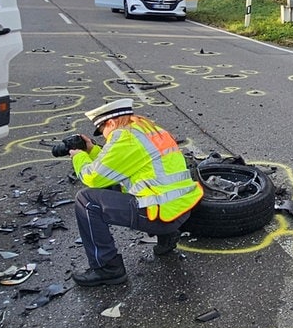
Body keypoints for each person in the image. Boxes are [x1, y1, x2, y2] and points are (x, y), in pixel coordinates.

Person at [66, 98, 204, 287]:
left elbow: (93, 178)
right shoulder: (150, 130)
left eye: (102, 131)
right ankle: (168, 237)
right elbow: (117, 166)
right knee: (121, 185)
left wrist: (79, 156)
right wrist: (92, 151)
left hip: (159, 215)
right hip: (179, 211)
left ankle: (107, 268)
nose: (105, 137)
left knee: (86, 200)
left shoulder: (124, 137)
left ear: (112, 122)